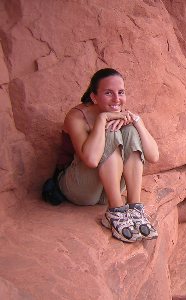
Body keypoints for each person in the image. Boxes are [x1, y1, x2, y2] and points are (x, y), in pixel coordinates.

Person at [57, 68, 159, 243]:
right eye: (108, 93)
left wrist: (137, 121)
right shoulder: (76, 117)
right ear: (94, 97)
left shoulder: (122, 113)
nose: (116, 99)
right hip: (79, 189)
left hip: (107, 191)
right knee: (110, 132)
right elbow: (90, 159)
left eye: (121, 92)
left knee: (129, 130)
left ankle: (134, 208)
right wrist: (102, 119)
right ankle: (116, 212)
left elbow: (154, 156)